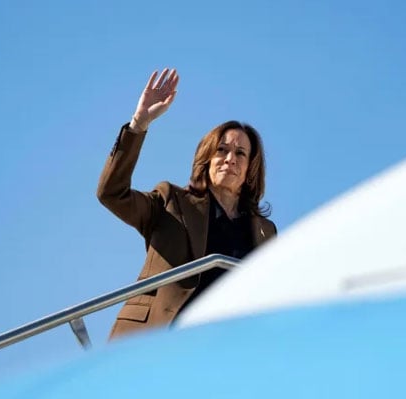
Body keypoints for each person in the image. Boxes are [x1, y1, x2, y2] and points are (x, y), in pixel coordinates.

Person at [97, 68, 277, 340]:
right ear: (207, 159)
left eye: (240, 153)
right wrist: (138, 124)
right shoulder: (172, 201)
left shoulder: (265, 231)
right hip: (159, 341)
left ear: (250, 170)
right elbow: (112, 193)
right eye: (222, 150)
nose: (230, 159)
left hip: (230, 347)